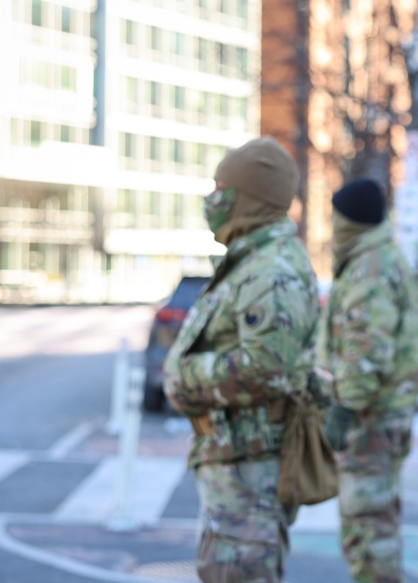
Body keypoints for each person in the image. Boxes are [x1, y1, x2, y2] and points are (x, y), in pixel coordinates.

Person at [162, 136, 320, 583]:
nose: (211, 199)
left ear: (246, 198)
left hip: (251, 472)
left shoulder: (271, 268)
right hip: (236, 467)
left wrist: (182, 375)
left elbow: (267, 366)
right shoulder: (251, 260)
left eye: (220, 187)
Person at [314, 178, 418, 583]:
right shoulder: (377, 258)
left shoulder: (371, 267)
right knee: (371, 523)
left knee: (368, 530)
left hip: (369, 419)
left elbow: (367, 351)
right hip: (378, 416)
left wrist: (344, 407)